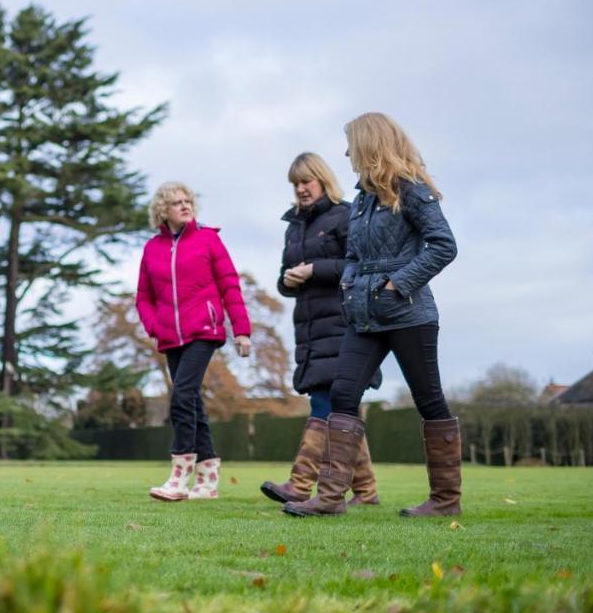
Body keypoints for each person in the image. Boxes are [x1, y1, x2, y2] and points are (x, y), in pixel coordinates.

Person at [284, 113, 459, 518]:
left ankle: (446, 501)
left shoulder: (412, 190)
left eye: (350, 144)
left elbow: (443, 245)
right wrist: (349, 280)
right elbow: (353, 255)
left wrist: (399, 283)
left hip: (409, 314)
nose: (346, 153)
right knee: (343, 394)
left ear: (369, 144)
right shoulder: (363, 198)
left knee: (429, 400)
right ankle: (329, 498)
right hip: (363, 316)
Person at [261, 153, 380, 507]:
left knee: (325, 402)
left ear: (322, 180)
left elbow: (358, 265)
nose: (300, 189)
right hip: (310, 329)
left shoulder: (344, 216)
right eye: (295, 183)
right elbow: (286, 278)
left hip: (343, 323)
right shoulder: (293, 226)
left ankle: (300, 484)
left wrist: (315, 269)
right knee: (341, 408)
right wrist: (287, 279)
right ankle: (367, 491)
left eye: (306, 181)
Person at [136, 181, 252, 501]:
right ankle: (208, 481)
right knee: (193, 402)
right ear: (163, 210)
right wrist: (154, 326)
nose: (186, 206)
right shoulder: (152, 249)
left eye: (188, 201)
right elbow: (143, 297)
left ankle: (179, 477)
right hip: (171, 336)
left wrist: (241, 330)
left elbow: (230, 285)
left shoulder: (209, 240)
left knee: (182, 393)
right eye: (177, 203)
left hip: (205, 329)